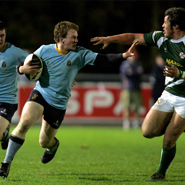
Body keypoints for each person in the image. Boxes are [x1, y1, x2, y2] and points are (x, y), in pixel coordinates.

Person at [0, 21, 138, 178]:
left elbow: (102, 59)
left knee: (44, 142)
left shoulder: (80, 54)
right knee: (24, 123)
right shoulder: (44, 50)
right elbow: (24, 63)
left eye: (77, 37)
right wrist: (21, 69)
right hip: (40, 94)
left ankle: (53, 145)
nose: (76, 40)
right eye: (73, 37)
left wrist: (124, 55)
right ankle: (5, 164)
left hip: (58, 103)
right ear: (61, 38)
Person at [91, 7, 185, 181]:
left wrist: (180, 74)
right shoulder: (160, 38)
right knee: (147, 131)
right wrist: (110, 39)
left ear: (176, 26)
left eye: (166, 23)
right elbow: (134, 37)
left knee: (169, 139)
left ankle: (161, 172)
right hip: (169, 93)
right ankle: (177, 126)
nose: (162, 26)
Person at [0, 21, 39, 151]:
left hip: (6, 101)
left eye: (2, 35)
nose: (0, 39)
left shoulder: (14, 52)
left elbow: (37, 61)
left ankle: (3, 133)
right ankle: (4, 134)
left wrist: (25, 68)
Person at [120, 50, 143, 129]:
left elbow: (139, 74)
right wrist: (134, 73)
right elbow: (126, 74)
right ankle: (126, 122)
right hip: (127, 88)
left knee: (137, 107)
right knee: (126, 107)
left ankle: (135, 122)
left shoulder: (138, 64)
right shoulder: (125, 64)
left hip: (136, 88)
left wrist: (132, 73)